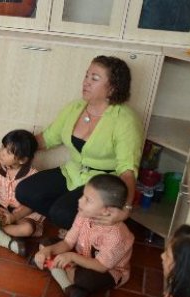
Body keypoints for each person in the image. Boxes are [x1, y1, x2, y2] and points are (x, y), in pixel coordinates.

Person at [15, 56, 142, 230]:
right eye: (86, 76)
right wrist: (15, 149)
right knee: (24, 191)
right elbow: (48, 138)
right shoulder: (75, 107)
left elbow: (127, 171)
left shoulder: (126, 120)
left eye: (95, 78)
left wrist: (125, 208)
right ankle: (72, 222)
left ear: (112, 88)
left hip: (102, 184)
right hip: (72, 173)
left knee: (62, 214)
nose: (86, 82)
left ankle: (77, 226)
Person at [33, 174, 134, 297]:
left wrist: (71, 256)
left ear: (106, 211)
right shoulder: (83, 214)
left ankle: (60, 273)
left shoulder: (117, 236)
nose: (80, 201)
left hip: (106, 270)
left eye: (88, 200)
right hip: (80, 257)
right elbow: (68, 242)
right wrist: (48, 250)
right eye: (82, 196)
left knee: (85, 280)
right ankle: (69, 286)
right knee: (45, 243)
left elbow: (101, 266)